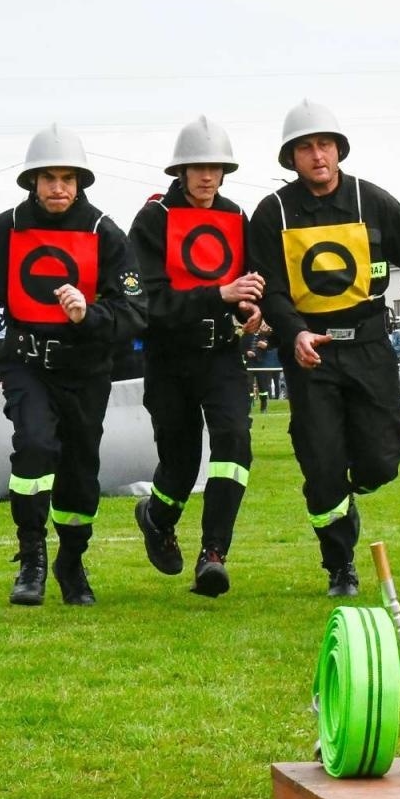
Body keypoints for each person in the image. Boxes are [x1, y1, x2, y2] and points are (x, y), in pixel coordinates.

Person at [0, 124, 148, 606]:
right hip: (25, 364)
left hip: (86, 371)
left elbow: (134, 309)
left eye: (67, 178)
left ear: (80, 182)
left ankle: (71, 561)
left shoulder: (104, 233)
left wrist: (88, 314)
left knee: (79, 467)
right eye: (48, 177)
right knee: (33, 446)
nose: (58, 188)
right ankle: (31, 557)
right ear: (31, 180)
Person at [250, 100, 400, 597]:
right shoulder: (272, 213)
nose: (317, 156)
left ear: (339, 150)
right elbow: (270, 287)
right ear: (290, 158)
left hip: (369, 346)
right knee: (320, 463)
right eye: (305, 148)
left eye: (325, 145)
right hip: (309, 352)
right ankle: (340, 564)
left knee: (383, 459)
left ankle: (350, 488)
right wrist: (293, 331)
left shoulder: (374, 202)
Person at [128, 116, 264, 598]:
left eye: (216, 168)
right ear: (180, 171)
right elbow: (150, 304)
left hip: (222, 355)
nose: (207, 177)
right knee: (181, 465)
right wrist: (220, 294)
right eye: (197, 168)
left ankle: (214, 554)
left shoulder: (234, 216)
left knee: (234, 444)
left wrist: (252, 306)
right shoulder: (153, 220)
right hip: (169, 359)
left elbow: (248, 280)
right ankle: (156, 516)